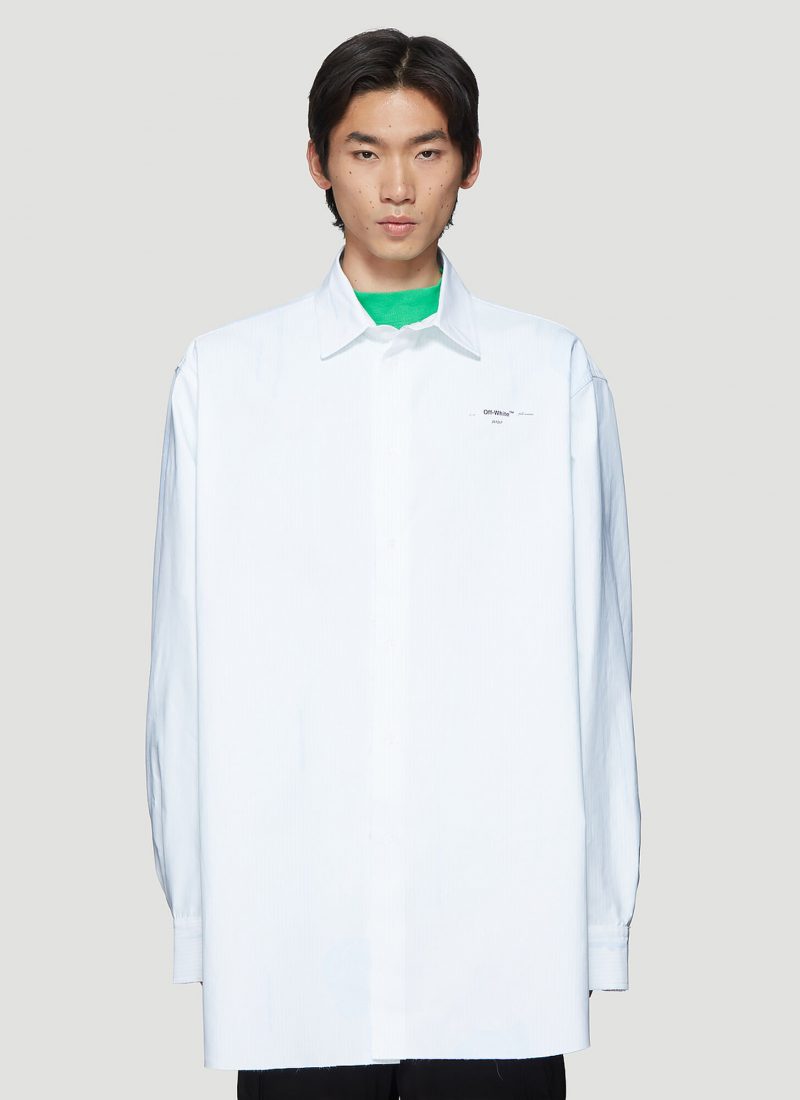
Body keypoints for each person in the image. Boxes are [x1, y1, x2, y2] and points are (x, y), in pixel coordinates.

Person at [145, 27, 642, 1100]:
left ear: (471, 162)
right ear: (317, 163)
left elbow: (599, 666)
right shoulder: (227, 380)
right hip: (293, 937)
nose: (397, 187)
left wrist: (599, 916)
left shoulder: (548, 373)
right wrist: (204, 914)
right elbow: (180, 668)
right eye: (365, 151)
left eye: (427, 150)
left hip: (499, 935)